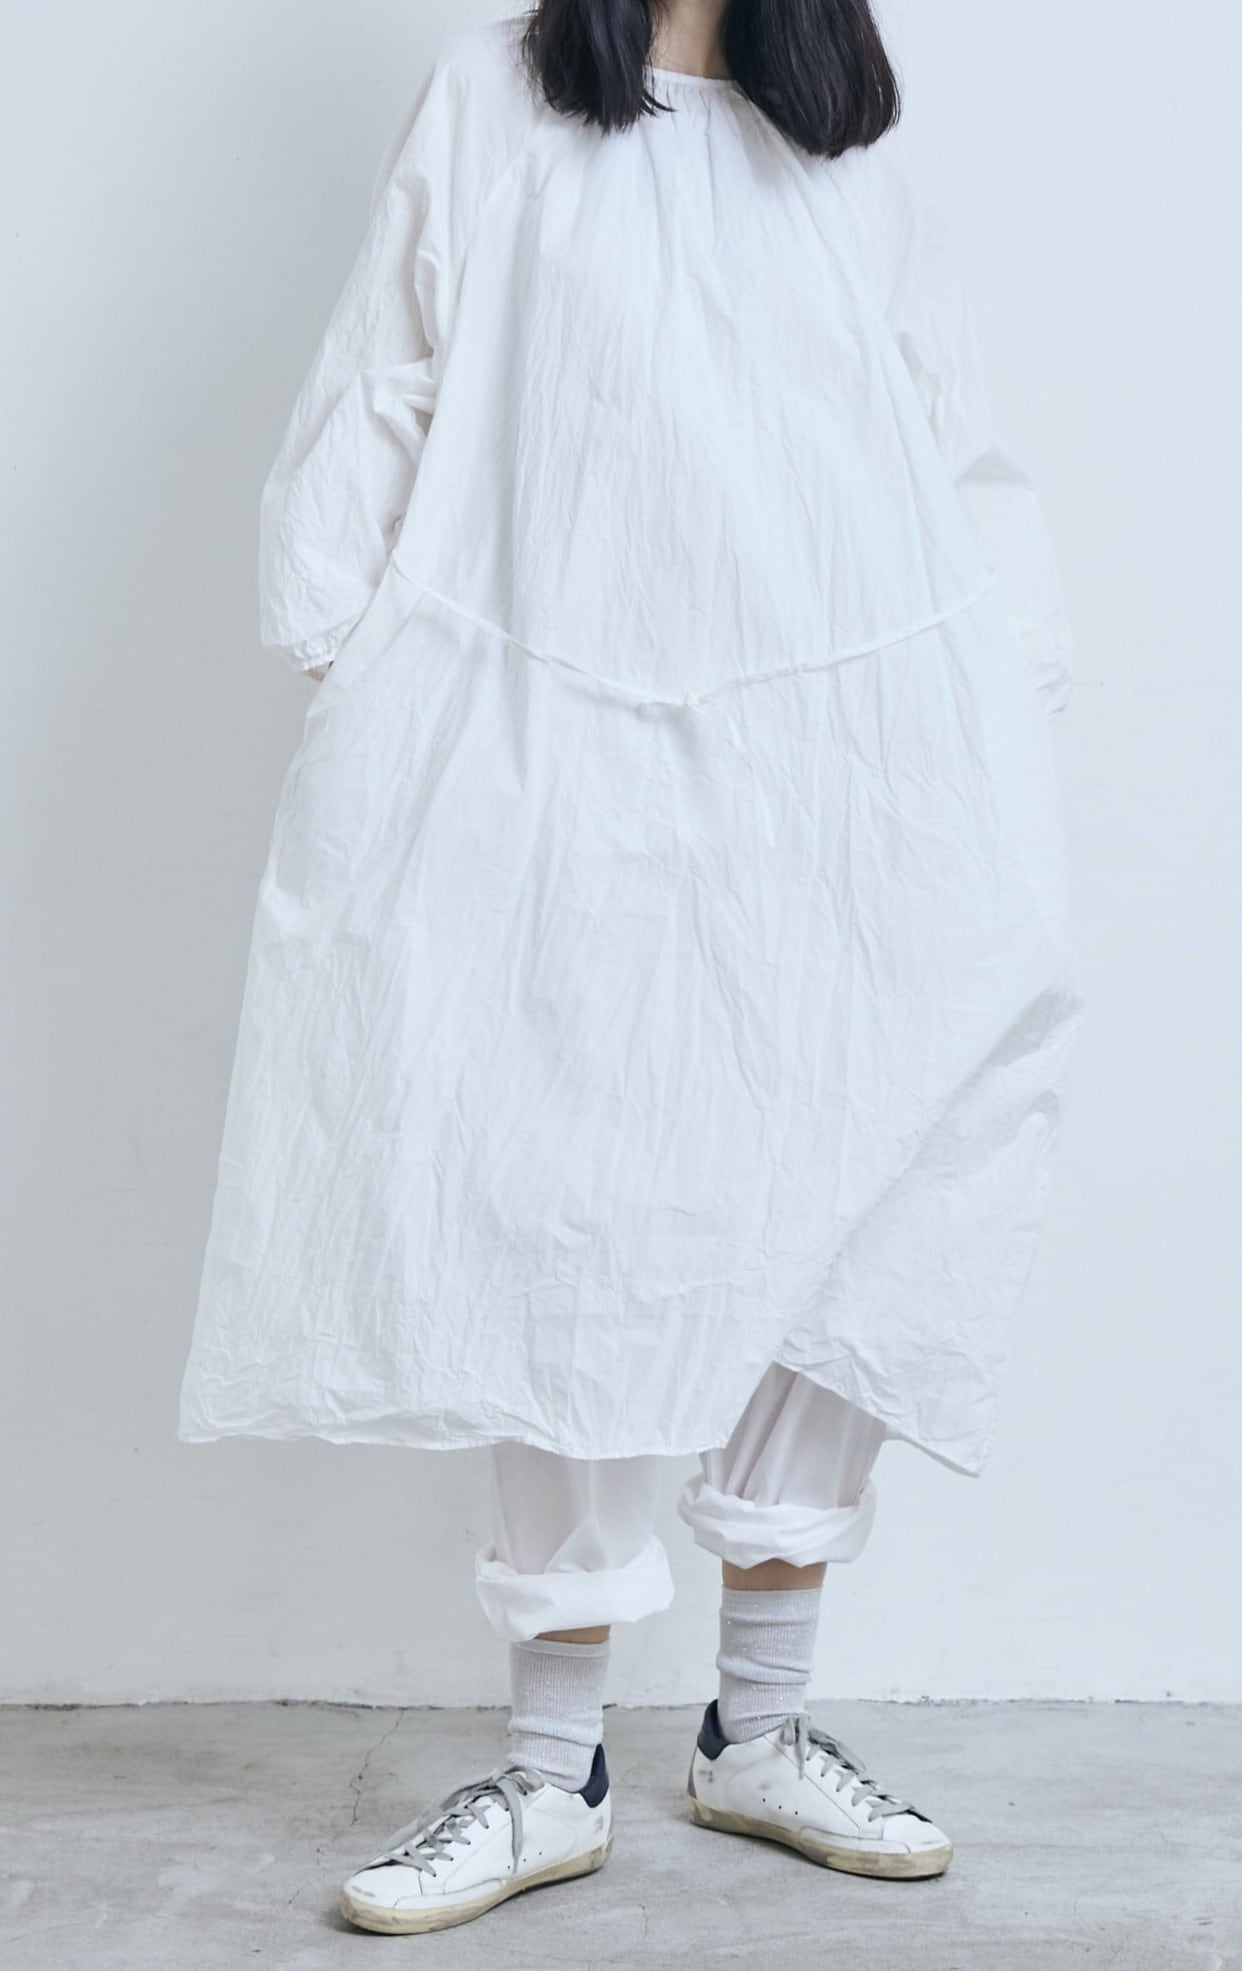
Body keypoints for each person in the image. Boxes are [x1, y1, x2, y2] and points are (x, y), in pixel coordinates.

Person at [179, 0, 1083, 1936]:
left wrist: (1008, 700)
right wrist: (367, 674)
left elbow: (944, 429)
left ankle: (762, 1726)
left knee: (866, 1188)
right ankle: (551, 1763)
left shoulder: (842, 141)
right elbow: (392, 375)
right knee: (567, 1209)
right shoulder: (496, 105)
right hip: (551, 741)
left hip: (841, 759)